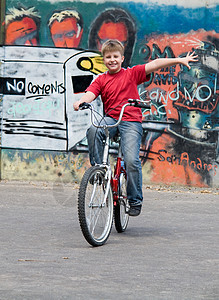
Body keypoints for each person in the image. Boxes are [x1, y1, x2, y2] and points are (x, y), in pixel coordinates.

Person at [73, 39, 198, 216]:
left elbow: (154, 64)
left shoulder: (132, 73)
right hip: (111, 119)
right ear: (104, 60)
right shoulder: (101, 79)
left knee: (131, 160)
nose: (112, 60)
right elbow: (90, 93)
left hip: (131, 121)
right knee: (94, 129)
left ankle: (135, 200)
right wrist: (80, 102)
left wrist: (178, 61)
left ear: (122, 58)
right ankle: (99, 169)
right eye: (108, 57)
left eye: (115, 56)